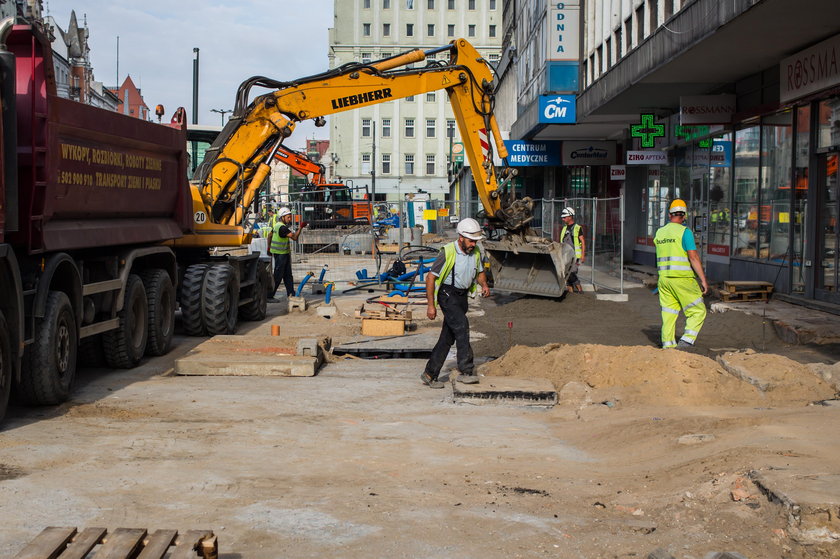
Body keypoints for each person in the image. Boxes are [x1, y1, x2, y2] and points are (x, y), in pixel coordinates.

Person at [421, 217, 491, 389]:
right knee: (462, 326)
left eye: (475, 241)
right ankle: (466, 371)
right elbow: (430, 278)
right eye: (470, 241)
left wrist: (484, 284)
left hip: (462, 297)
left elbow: (480, 271)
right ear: (461, 237)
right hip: (447, 295)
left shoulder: (475, 253)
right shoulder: (447, 252)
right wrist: (431, 305)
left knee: (448, 337)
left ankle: (430, 374)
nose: (473, 244)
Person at [654, 199, 709, 349]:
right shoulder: (685, 232)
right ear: (684, 216)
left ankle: (668, 345)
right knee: (698, 310)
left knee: (669, 313)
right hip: (682, 279)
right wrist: (703, 280)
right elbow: (693, 257)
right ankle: (686, 341)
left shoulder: (659, 233)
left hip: (664, 280)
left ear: (669, 214)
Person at [266, 207, 307, 301]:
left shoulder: (277, 225)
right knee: (278, 275)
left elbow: (269, 235)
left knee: (288, 275)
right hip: (281, 255)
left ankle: (291, 294)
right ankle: (269, 295)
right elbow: (295, 237)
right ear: (282, 217)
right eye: (288, 217)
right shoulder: (283, 228)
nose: (290, 219)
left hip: (282, 254)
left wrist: (269, 248)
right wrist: (300, 227)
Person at [559, 207, 586, 294]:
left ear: (570, 216)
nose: (563, 219)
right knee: (565, 274)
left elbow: (582, 241)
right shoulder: (564, 228)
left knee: (571, 273)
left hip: (574, 256)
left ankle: (580, 290)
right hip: (565, 255)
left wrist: (582, 255)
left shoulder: (577, 228)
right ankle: (571, 293)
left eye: (564, 217)